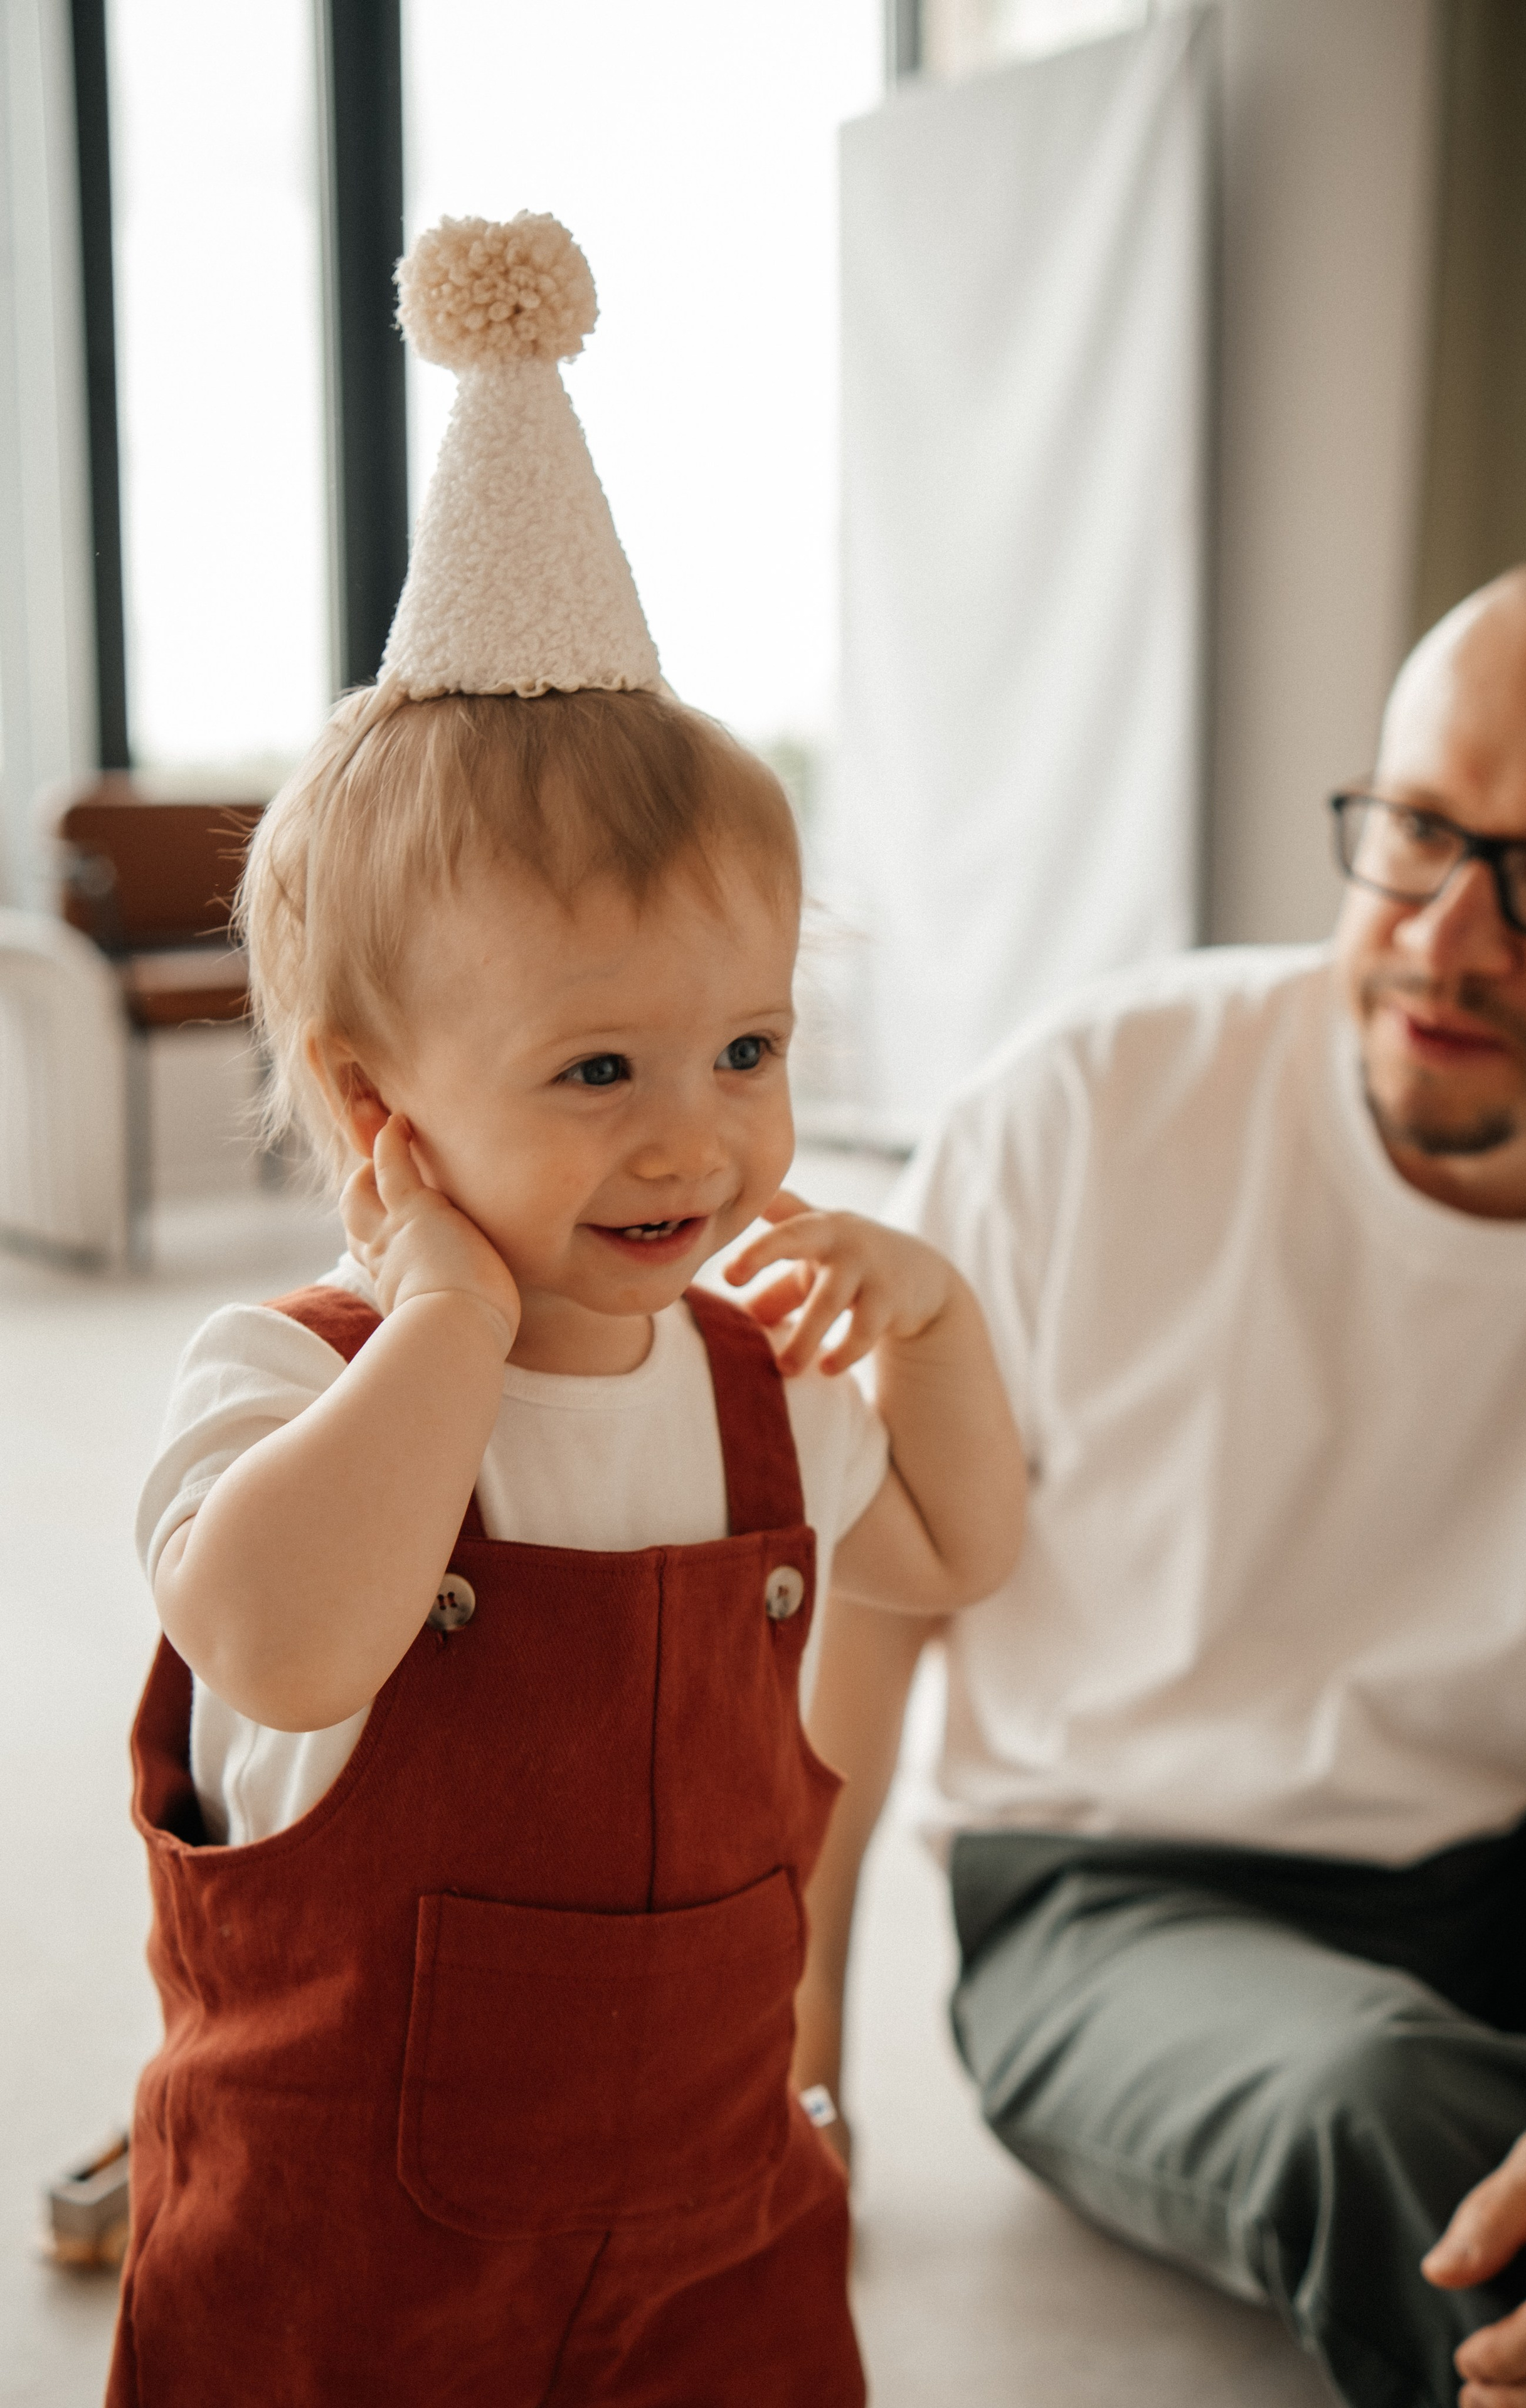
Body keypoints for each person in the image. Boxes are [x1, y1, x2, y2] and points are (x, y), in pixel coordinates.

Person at [109, 213, 1025, 2408]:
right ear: (376, 1105)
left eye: (751, 1050)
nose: (695, 1142)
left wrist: (940, 1337)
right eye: (598, 1072)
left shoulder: (751, 1386)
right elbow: (294, 1644)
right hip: (344, 2264)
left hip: (718, 2227)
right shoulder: (292, 1380)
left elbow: (955, 1553)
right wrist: (437, 1319)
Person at [796, 549, 1526, 2408]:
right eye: (1416, 828)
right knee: (1387, 2121)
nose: (1448, 935)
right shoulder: (1092, 1109)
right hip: (1115, 1892)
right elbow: (873, 1592)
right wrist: (800, 2057)